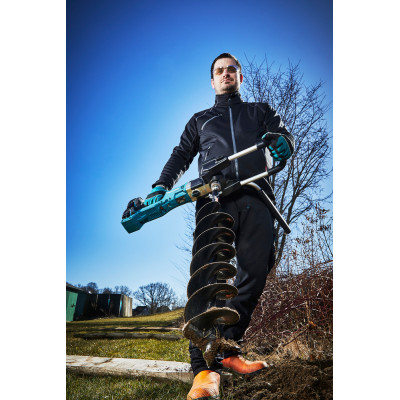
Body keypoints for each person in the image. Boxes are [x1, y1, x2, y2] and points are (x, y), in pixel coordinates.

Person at [127, 53, 294, 400]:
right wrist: (160, 187)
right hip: (214, 196)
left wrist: (283, 143)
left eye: (231, 69)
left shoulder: (260, 111)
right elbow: (180, 155)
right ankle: (204, 371)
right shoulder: (200, 120)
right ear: (212, 80)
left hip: (257, 195)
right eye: (219, 71)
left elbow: (282, 137)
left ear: (240, 77)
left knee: (256, 271)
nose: (225, 74)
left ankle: (228, 349)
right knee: (209, 277)